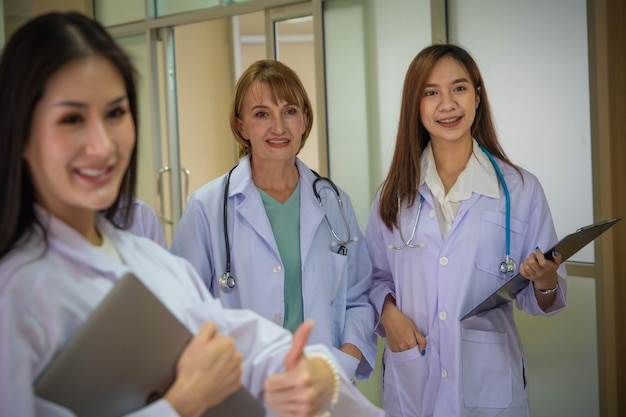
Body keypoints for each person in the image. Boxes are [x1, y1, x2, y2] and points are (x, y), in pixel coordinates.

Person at [0, 12, 384, 417]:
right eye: (72, 119)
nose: (102, 145)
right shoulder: (16, 296)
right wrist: (180, 405)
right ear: (19, 130)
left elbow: (240, 340)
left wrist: (324, 368)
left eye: (115, 113)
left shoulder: (147, 261)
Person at [364, 44, 567, 417]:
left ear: (477, 95)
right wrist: (389, 315)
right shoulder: (391, 195)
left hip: (490, 384)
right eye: (431, 92)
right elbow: (372, 278)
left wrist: (546, 281)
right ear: (416, 105)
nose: (447, 104)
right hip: (414, 378)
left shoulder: (520, 189)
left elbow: (541, 297)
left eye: (458, 88)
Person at [170, 59, 377, 381]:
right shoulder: (207, 207)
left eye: (290, 111)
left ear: (305, 120)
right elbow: (181, 307)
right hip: (240, 387)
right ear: (241, 127)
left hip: (318, 385)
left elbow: (358, 298)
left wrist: (341, 364)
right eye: (261, 114)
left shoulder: (335, 202)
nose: (278, 127)